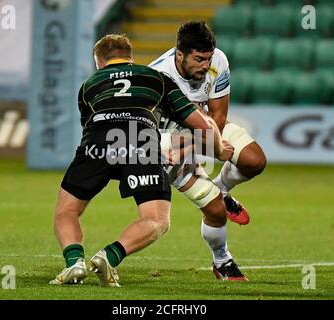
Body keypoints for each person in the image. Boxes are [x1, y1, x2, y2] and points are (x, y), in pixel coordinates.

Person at [49, 34, 234, 287]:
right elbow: (204, 124)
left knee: (67, 211)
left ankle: (74, 263)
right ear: (131, 57)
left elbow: (87, 127)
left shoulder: (89, 85)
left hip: (97, 143)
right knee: (156, 219)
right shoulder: (156, 78)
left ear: (99, 62)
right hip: (141, 139)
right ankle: (108, 256)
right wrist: (219, 151)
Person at [149, 21, 267, 280]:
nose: (206, 65)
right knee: (214, 210)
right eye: (199, 59)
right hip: (169, 143)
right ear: (180, 55)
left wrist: (195, 146)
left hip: (207, 129)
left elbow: (218, 116)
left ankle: (222, 188)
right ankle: (222, 261)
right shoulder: (156, 76)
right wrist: (182, 151)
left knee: (254, 161)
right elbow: (150, 131)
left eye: (208, 58)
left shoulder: (218, 61)